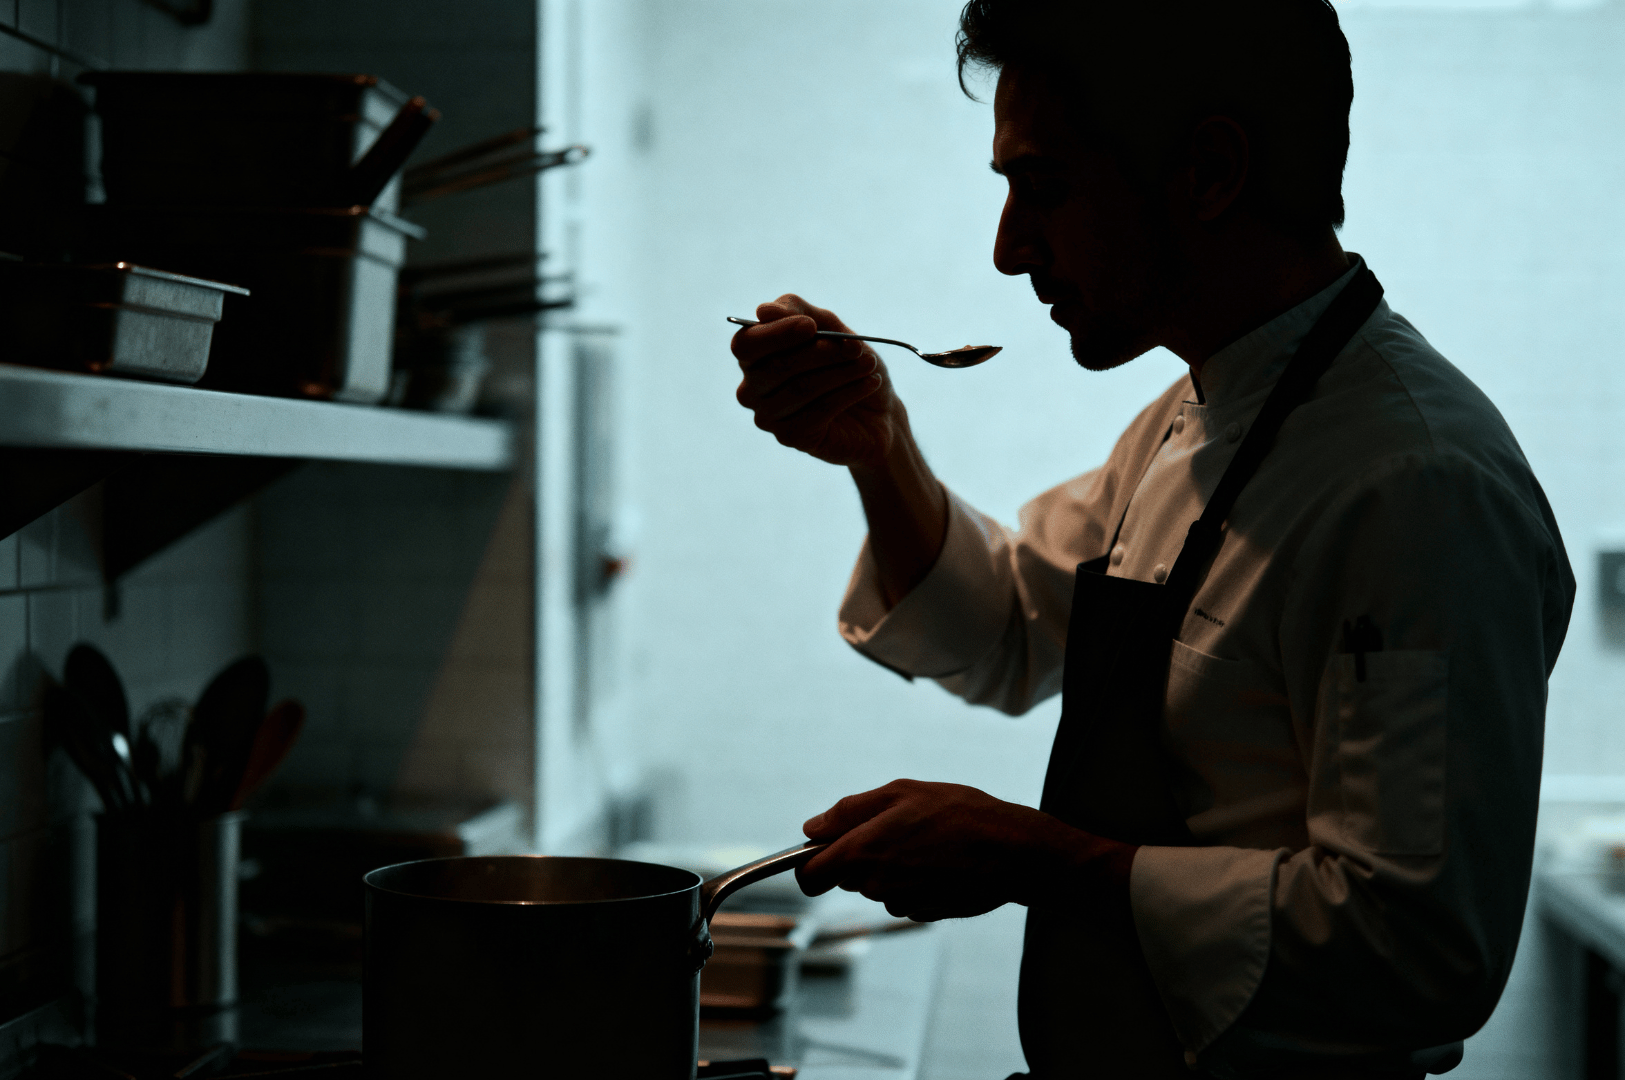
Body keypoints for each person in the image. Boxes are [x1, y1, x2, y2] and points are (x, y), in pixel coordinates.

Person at [729, 1, 1575, 1076]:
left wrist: (1031, 857)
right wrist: (876, 446)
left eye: (1041, 187)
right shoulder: (1196, 413)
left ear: (1209, 173)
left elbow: (1410, 948)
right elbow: (1002, 630)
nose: (1006, 250)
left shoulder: (1411, 487)